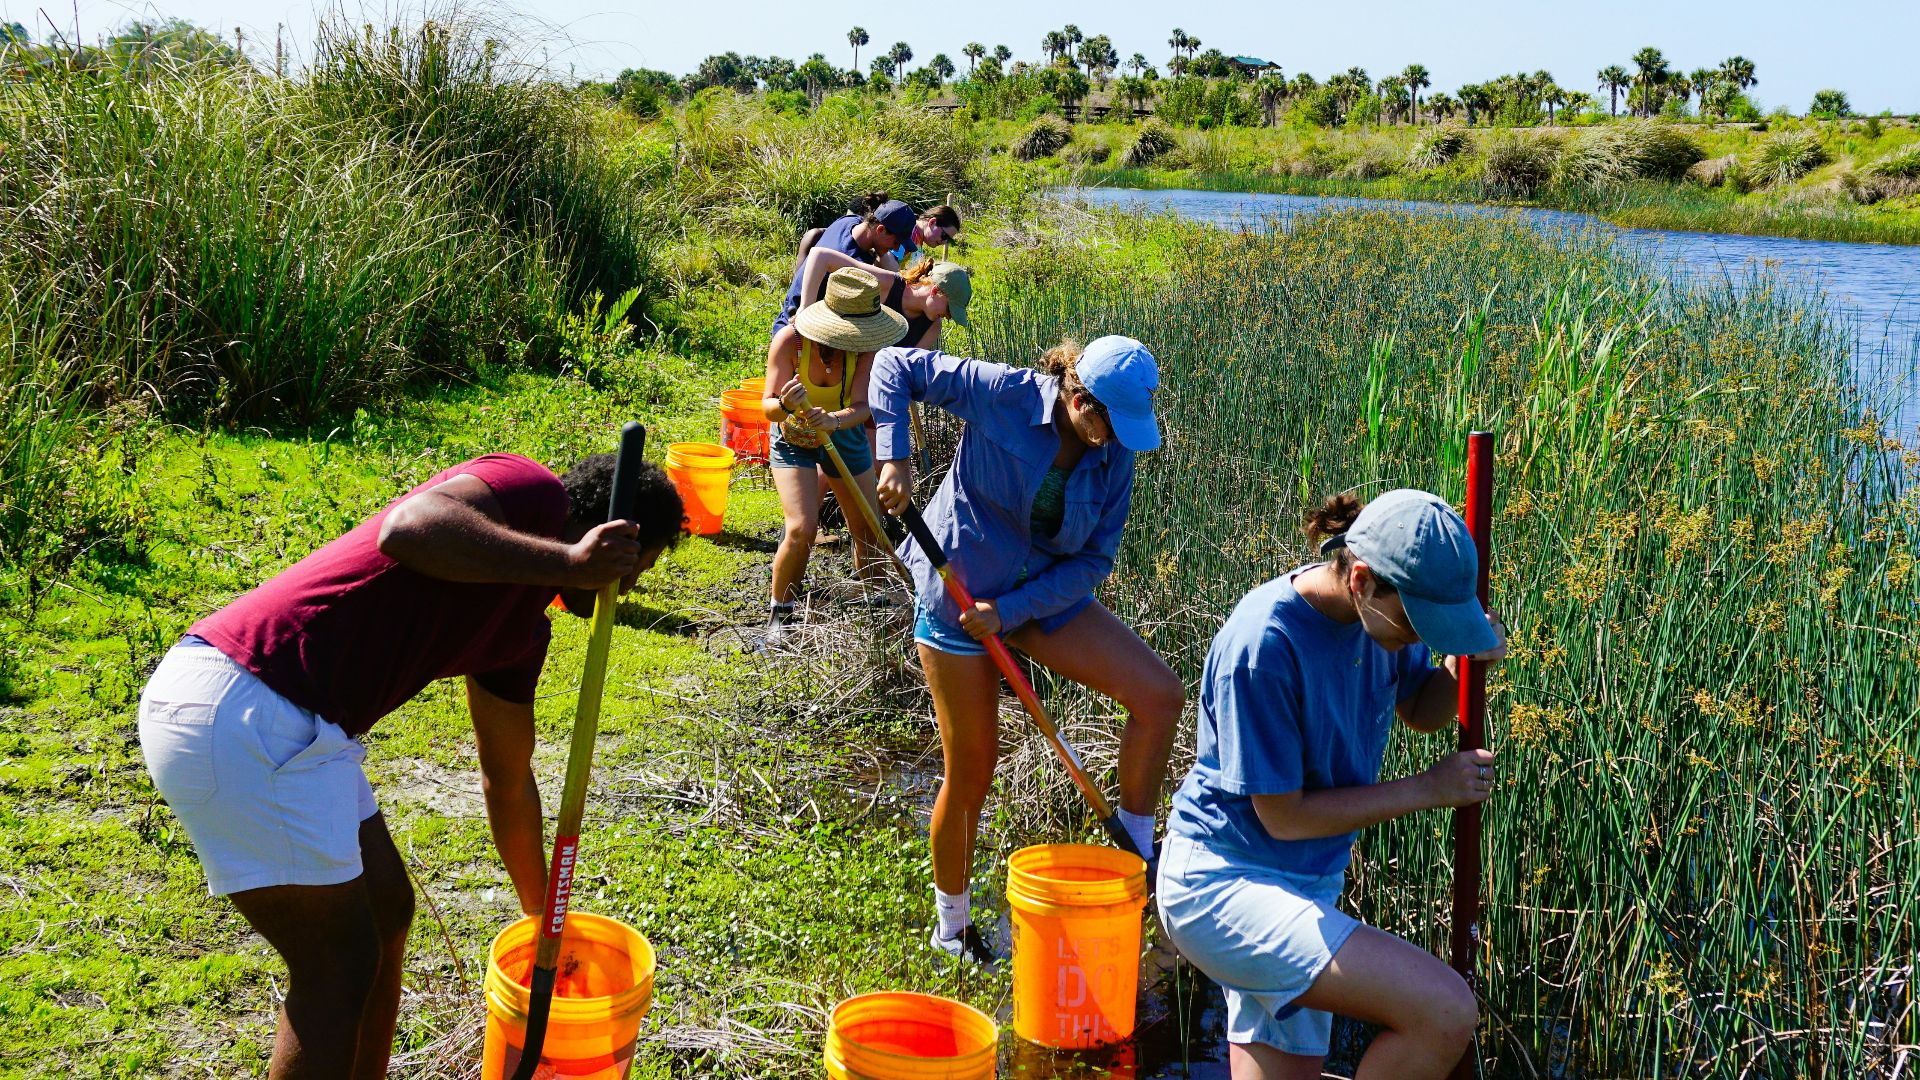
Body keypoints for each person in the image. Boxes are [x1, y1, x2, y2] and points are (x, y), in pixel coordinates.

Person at [136, 452, 684, 1079]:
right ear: (617, 537)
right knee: (337, 965)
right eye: (644, 563)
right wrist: (568, 563)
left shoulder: (519, 635)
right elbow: (410, 526)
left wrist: (543, 924)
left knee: (385, 909)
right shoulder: (529, 491)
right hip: (246, 703)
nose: (634, 584)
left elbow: (506, 780)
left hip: (301, 727)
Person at [1156, 491, 1510, 1080]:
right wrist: (1427, 789)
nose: (1420, 638)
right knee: (1444, 1011)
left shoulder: (1376, 624)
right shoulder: (1264, 644)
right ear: (1363, 580)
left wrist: (1462, 666)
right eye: (1416, 622)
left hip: (1306, 883)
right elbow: (1285, 817)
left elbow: (1421, 708)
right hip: (1222, 885)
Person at [871, 336, 1185, 967]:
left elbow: (1094, 559)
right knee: (972, 769)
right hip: (958, 591)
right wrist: (894, 458)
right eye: (1104, 422)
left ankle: (1135, 856)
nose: (1111, 439)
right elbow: (892, 365)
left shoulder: (1115, 453)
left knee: (1161, 694)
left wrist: (1011, 613)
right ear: (1076, 396)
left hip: (1037, 598)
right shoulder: (1005, 394)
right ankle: (952, 930)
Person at [762, 267, 909, 644]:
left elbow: (863, 407)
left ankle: (877, 608)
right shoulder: (791, 342)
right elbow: (768, 409)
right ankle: (781, 614)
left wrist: (833, 420)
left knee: (868, 530)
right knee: (801, 529)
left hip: (842, 435)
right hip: (792, 435)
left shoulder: (867, 352)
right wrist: (784, 403)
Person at [772, 193, 921, 337]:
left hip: (789, 314)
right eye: (896, 242)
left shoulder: (850, 221)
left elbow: (892, 271)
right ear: (880, 229)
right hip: (797, 329)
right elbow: (891, 281)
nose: (896, 248)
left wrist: (881, 251)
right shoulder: (849, 263)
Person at [799, 247, 971, 351]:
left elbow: (907, 367)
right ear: (935, 290)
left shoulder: (932, 327)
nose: (948, 316)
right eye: (949, 309)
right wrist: (805, 309)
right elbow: (820, 256)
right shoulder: (887, 284)